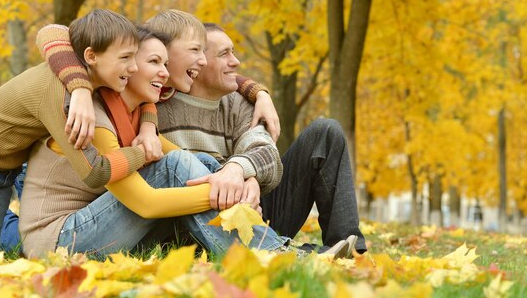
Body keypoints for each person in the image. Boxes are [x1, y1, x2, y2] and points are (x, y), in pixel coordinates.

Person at [22, 13, 353, 259]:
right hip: (64, 239)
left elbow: (251, 145)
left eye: (164, 64)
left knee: (198, 161)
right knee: (176, 165)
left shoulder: (149, 108)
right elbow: (60, 34)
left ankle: (283, 250)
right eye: (154, 61)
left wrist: (241, 172)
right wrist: (79, 87)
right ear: (129, 63)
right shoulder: (101, 106)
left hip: (209, 210)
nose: (163, 72)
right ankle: (271, 256)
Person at [155, 23, 366, 254]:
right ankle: (296, 253)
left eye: (233, 52)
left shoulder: (241, 103)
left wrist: (245, 174)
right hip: (190, 225)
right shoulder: (154, 103)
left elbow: (266, 151)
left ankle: (350, 251)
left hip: (254, 216)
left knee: (325, 132)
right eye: (224, 54)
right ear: (197, 63)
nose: (235, 62)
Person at [0, 7, 158, 255]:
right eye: (125, 58)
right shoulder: (64, 98)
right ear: (91, 56)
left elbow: (144, 95)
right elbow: (94, 172)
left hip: (3, 172)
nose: (134, 67)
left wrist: (148, 125)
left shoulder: (83, 77)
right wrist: (141, 153)